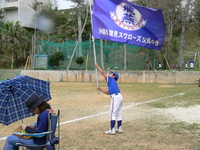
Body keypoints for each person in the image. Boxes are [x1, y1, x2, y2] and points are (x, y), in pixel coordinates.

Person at [94, 63, 123, 135]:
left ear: (113, 76)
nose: (109, 74)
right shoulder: (112, 82)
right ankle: (119, 128)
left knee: (112, 114)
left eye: (111, 74)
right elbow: (108, 92)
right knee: (118, 113)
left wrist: (97, 66)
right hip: (119, 96)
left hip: (115, 97)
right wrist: (100, 90)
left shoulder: (110, 79)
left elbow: (102, 73)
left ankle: (112, 129)